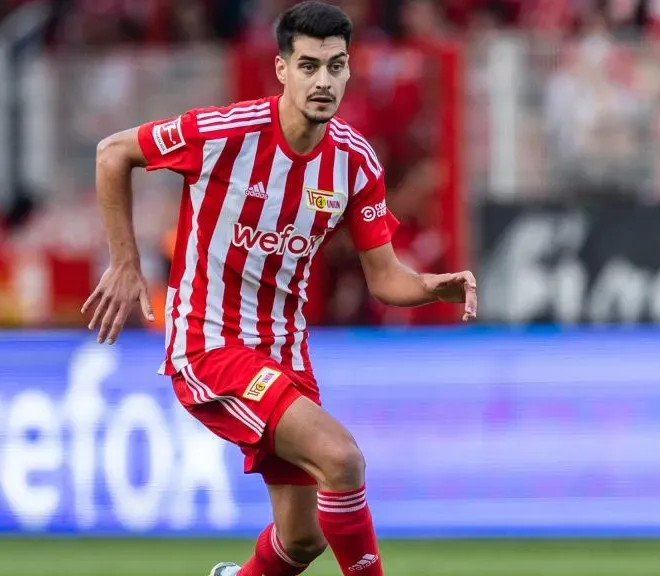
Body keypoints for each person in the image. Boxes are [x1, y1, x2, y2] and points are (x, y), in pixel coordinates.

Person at [81, 2, 477, 575]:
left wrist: (428, 287)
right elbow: (113, 152)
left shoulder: (355, 163)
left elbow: (385, 277)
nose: (324, 81)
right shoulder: (225, 133)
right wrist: (124, 261)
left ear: (349, 70)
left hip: (286, 353)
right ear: (282, 70)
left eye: (336, 66)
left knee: (302, 540)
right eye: (310, 65)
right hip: (208, 344)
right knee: (342, 460)